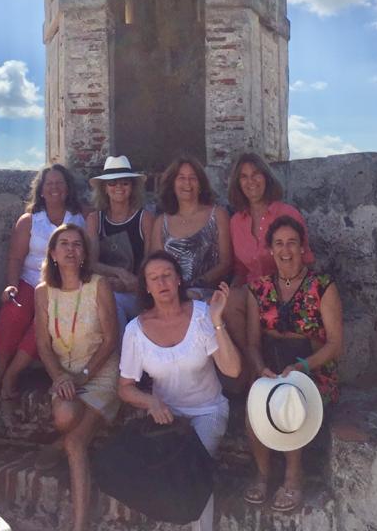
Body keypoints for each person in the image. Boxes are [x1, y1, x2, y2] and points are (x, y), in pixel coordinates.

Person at [119, 251, 241, 531]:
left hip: (208, 410)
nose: (161, 283)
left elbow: (232, 370)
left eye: (166, 276)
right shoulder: (135, 331)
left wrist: (218, 320)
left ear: (178, 280)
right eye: (154, 278)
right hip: (168, 419)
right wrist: (150, 400)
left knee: (192, 464)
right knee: (157, 472)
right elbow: (124, 388)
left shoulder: (201, 315)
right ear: (146, 287)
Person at [243, 215, 343, 513]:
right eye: (279, 244)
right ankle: (263, 473)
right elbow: (251, 343)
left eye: (292, 243)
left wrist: (301, 368)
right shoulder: (257, 289)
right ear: (270, 250)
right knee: (256, 404)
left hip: (311, 371)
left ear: (302, 248)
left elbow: (336, 345)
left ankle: (293, 475)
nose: (285, 250)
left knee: (290, 400)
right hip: (271, 367)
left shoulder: (322, 286)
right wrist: (260, 369)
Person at [34, 223, 119, 531]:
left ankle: (80, 524)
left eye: (77, 245)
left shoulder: (98, 285)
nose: (71, 249)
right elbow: (43, 343)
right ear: (53, 254)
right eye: (64, 244)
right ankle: (58, 443)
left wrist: (85, 375)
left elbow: (111, 339)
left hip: (101, 371)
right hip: (65, 374)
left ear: (84, 253)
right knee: (64, 415)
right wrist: (59, 377)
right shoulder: (43, 292)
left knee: (75, 441)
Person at [0, 165, 86, 400]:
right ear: (41, 191)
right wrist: (12, 285)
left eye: (60, 183)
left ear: (67, 189)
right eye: (49, 184)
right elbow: (16, 258)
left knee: (44, 324)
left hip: (61, 285)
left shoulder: (80, 218)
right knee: (13, 312)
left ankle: (12, 375)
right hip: (29, 280)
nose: (55, 188)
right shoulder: (29, 221)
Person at [85, 155, 153, 334]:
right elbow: (91, 263)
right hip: (105, 287)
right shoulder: (94, 220)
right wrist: (119, 273)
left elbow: (151, 261)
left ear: (132, 187)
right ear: (105, 189)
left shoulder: (144, 219)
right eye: (112, 183)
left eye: (124, 183)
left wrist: (133, 284)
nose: (118, 188)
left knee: (115, 304)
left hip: (138, 291)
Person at [148, 156, 231, 300]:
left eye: (193, 178)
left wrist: (195, 285)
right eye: (181, 178)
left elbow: (226, 263)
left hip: (209, 294)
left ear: (201, 184)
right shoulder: (161, 222)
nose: (187, 183)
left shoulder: (218, 215)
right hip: (170, 294)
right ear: (172, 184)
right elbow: (156, 266)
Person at [227, 152, 314, 287]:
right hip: (252, 291)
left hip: (286, 289)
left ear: (266, 177)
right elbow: (240, 271)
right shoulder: (236, 222)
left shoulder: (288, 214)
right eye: (244, 176)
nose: (250, 181)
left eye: (256, 174)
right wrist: (230, 295)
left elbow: (305, 260)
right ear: (238, 184)